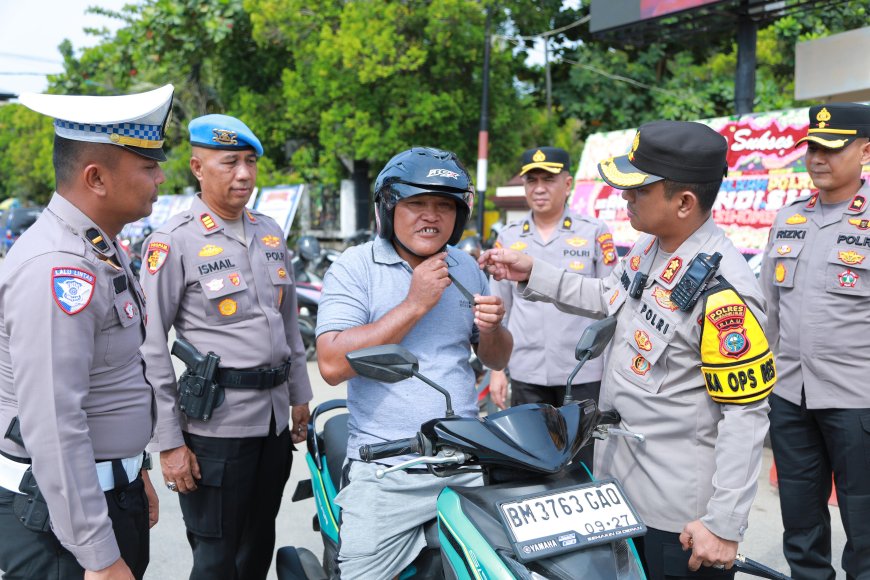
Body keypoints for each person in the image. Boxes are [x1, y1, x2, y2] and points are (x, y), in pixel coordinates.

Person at [479, 121, 776, 579]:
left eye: (638, 190)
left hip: (679, 519)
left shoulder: (723, 295)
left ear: (683, 202)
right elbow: (607, 296)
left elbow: (747, 416)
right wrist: (531, 271)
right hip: (622, 492)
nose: (625, 198)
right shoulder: (651, 247)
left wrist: (723, 524)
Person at [0, 85, 174, 579]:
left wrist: (129, 472)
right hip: (59, 530)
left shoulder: (98, 248)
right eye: (146, 166)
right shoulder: (59, 267)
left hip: (102, 497)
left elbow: (112, 381)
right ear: (96, 178)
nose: (160, 177)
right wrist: (98, 556)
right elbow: (55, 424)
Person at [315, 146, 512, 578]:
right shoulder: (355, 267)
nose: (431, 216)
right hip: (387, 472)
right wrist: (414, 304)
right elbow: (330, 364)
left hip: (464, 462)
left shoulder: (465, 266)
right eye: (416, 203)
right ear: (389, 209)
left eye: (444, 206)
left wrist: (494, 330)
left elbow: (495, 356)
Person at [138, 114, 313, 580]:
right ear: (197, 167)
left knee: (257, 549)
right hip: (216, 428)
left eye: (250, 162)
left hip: (273, 423)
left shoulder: (270, 232)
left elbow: (289, 323)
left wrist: (300, 395)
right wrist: (169, 442)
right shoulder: (173, 241)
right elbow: (151, 347)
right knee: (216, 560)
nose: (244, 174)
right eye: (230, 162)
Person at [760, 103, 870, 580]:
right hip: (791, 395)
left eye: (832, 147)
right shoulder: (789, 219)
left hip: (857, 399)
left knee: (865, 532)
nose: (818, 157)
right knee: (800, 528)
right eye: (812, 147)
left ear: (865, 150)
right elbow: (768, 312)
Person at [489, 147, 615, 469]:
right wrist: (497, 370)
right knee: (531, 461)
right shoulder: (508, 236)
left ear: (568, 183)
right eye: (531, 180)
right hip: (527, 369)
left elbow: (612, 306)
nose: (539, 188)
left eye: (549, 179)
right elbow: (498, 307)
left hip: (583, 370)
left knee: (583, 462)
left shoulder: (594, 232)